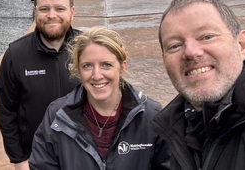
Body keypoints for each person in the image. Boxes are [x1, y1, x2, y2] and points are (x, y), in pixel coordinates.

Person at [151, 0, 245, 169]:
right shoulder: (173, 127)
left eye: (207, 36)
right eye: (175, 45)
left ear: (242, 45)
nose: (191, 52)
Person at [29, 26, 170, 170]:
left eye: (106, 65)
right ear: (78, 70)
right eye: (87, 66)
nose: (96, 75)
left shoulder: (151, 116)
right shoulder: (57, 116)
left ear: (122, 67)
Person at [0, 0, 82, 170]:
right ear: (35, 12)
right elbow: (7, 112)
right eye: (44, 9)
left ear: (72, 12)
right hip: (36, 158)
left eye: (60, 8)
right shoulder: (15, 54)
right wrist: (18, 160)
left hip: (83, 155)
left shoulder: (87, 49)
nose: (52, 15)